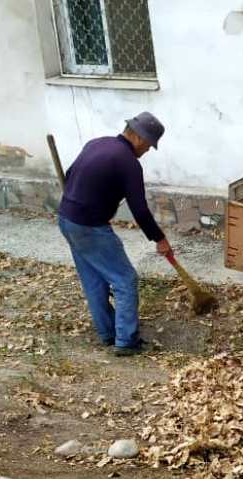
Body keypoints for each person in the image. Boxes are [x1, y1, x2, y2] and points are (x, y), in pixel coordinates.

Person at [58, 111, 173, 356]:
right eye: (149, 146)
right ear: (139, 138)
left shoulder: (97, 143)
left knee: (94, 279)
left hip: (66, 219)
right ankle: (126, 341)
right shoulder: (128, 162)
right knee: (125, 279)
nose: (147, 151)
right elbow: (139, 209)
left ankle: (108, 332)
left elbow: (69, 175)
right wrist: (159, 238)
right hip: (90, 227)